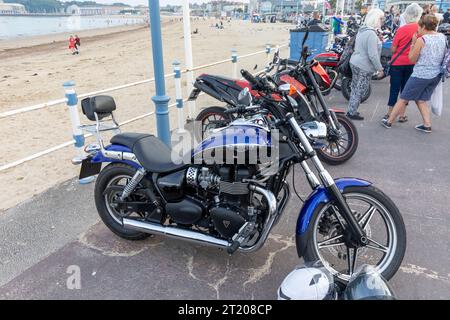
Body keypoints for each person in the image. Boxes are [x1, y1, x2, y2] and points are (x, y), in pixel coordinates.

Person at [382, 14, 447, 133]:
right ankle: (427, 125)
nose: (417, 29)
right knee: (421, 99)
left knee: (403, 98)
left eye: (419, 27)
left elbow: (411, 59)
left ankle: (389, 121)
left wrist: (413, 43)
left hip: (421, 75)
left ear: (423, 27)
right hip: (435, 75)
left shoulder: (422, 40)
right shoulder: (442, 37)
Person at [383, 3, 423, 122]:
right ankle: (402, 115)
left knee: (394, 88)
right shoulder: (420, 29)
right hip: (412, 63)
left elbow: (393, 49)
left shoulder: (402, 29)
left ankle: (390, 113)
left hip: (397, 63)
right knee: (405, 90)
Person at [346, 8, 385, 120]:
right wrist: (380, 69)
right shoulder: (371, 34)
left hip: (355, 61)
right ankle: (351, 112)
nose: (382, 21)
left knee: (355, 88)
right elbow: (372, 54)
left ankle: (351, 110)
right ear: (376, 19)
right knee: (360, 89)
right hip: (364, 65)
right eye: (381, 19)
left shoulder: (362, 30)